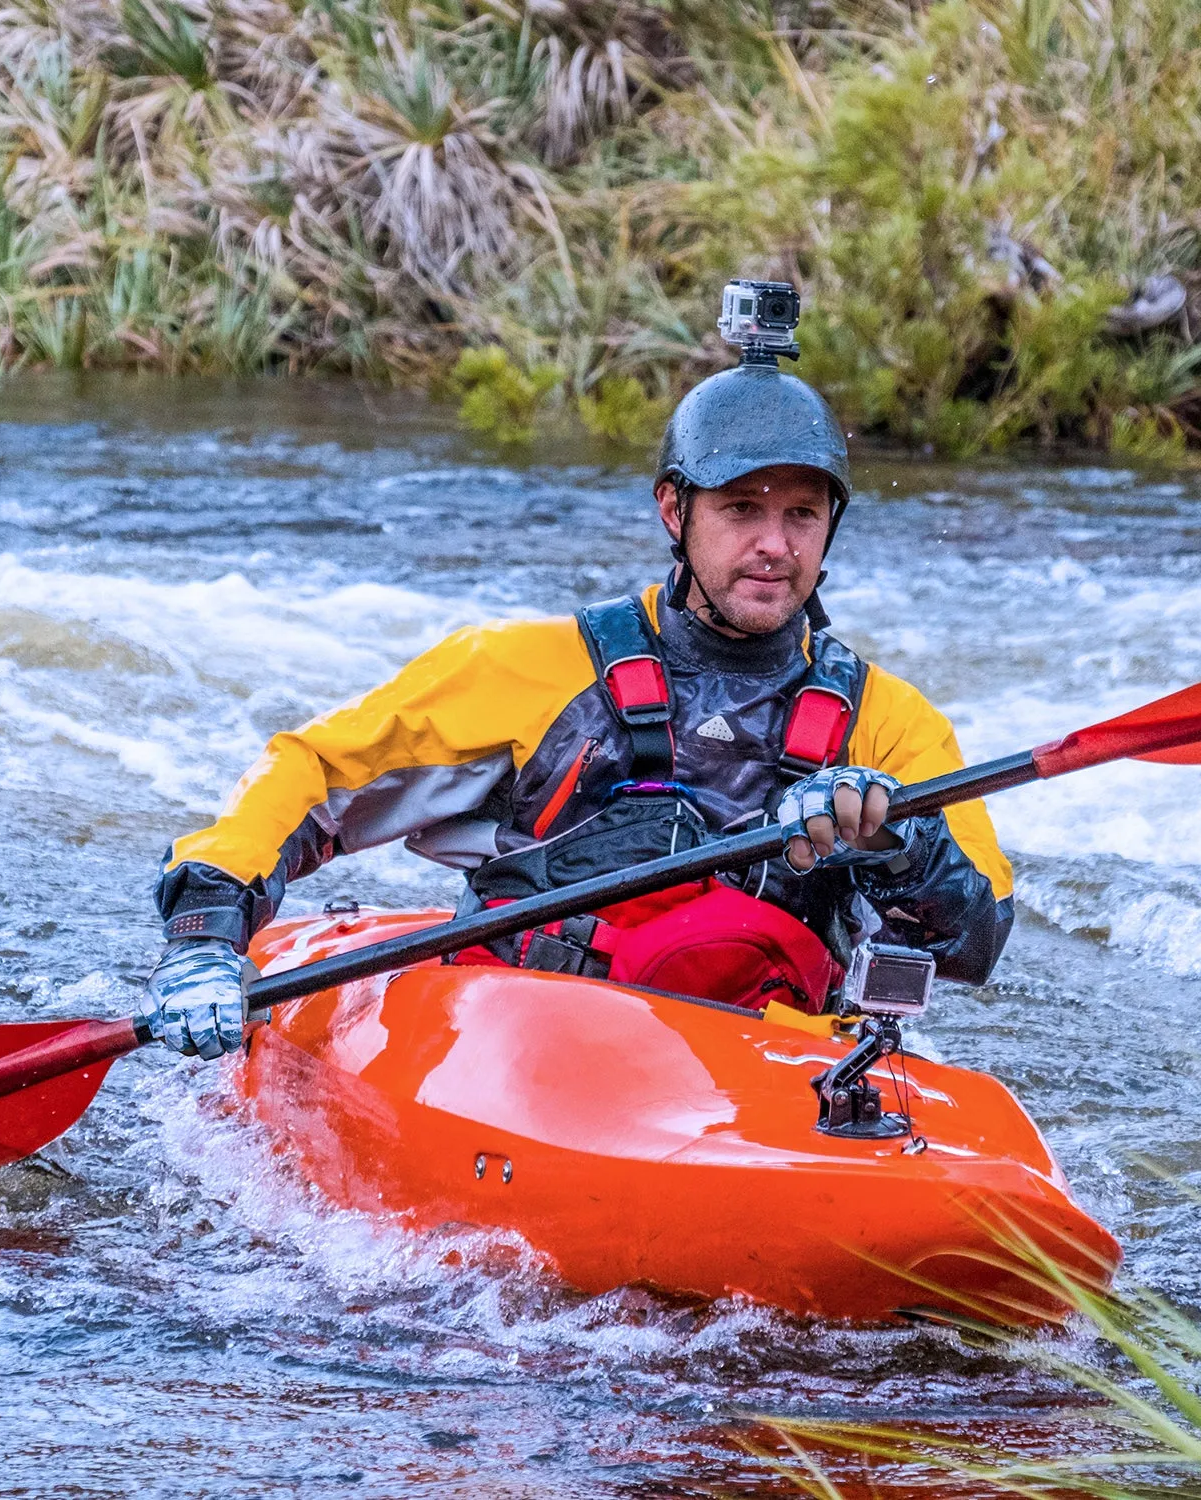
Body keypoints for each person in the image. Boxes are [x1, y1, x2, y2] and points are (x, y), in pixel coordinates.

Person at [144, 351, 1013, 1058]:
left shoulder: (890, 724)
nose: (774, 546)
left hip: (764, 1061)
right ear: (674, 511)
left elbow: (976, 941)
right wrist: (205, 933)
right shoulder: (533, 668)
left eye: (802, 515)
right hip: (531, 1041)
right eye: (742, 509)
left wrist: (898, 838)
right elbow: (314, 774)